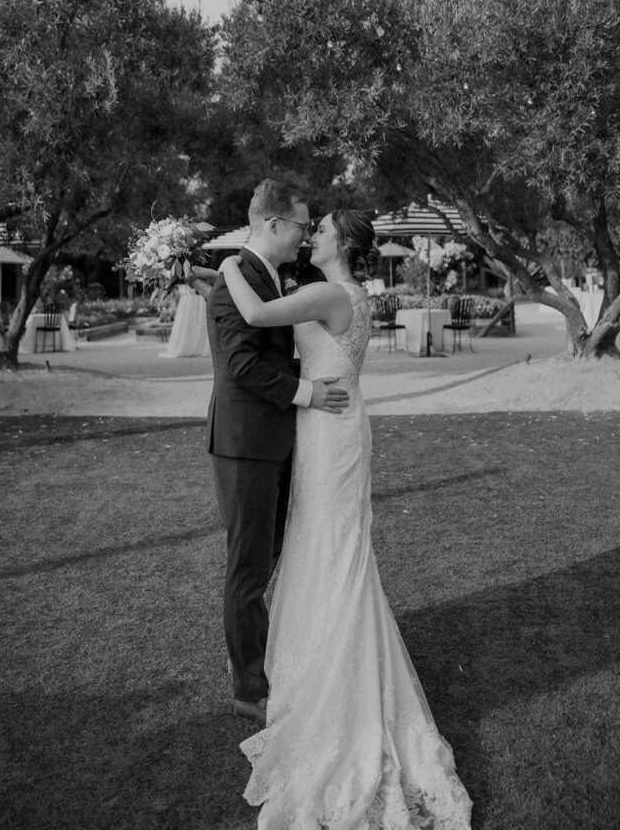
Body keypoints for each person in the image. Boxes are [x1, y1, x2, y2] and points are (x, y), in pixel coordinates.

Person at [216, 209, 472, 830]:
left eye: (323, 229)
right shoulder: (348, 291)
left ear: (344, 245)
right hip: (336, 424)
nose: (313, 236)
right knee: (331, 549)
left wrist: (224, 264)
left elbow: (254, 314)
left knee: (329, 549)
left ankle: (331, 686)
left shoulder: (329, 291)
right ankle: (329, 666)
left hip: (328, 432)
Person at [190, 179, 350, 728]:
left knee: (273, 555)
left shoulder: (259, 276)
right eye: (303, 226)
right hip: (245, 447)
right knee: (249, 568)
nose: (306, 237)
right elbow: (240, 364)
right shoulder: (237, 279)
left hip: (278, 443)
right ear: (274, 224)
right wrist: (308, 394)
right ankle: (249, 687)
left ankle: (273, 660)